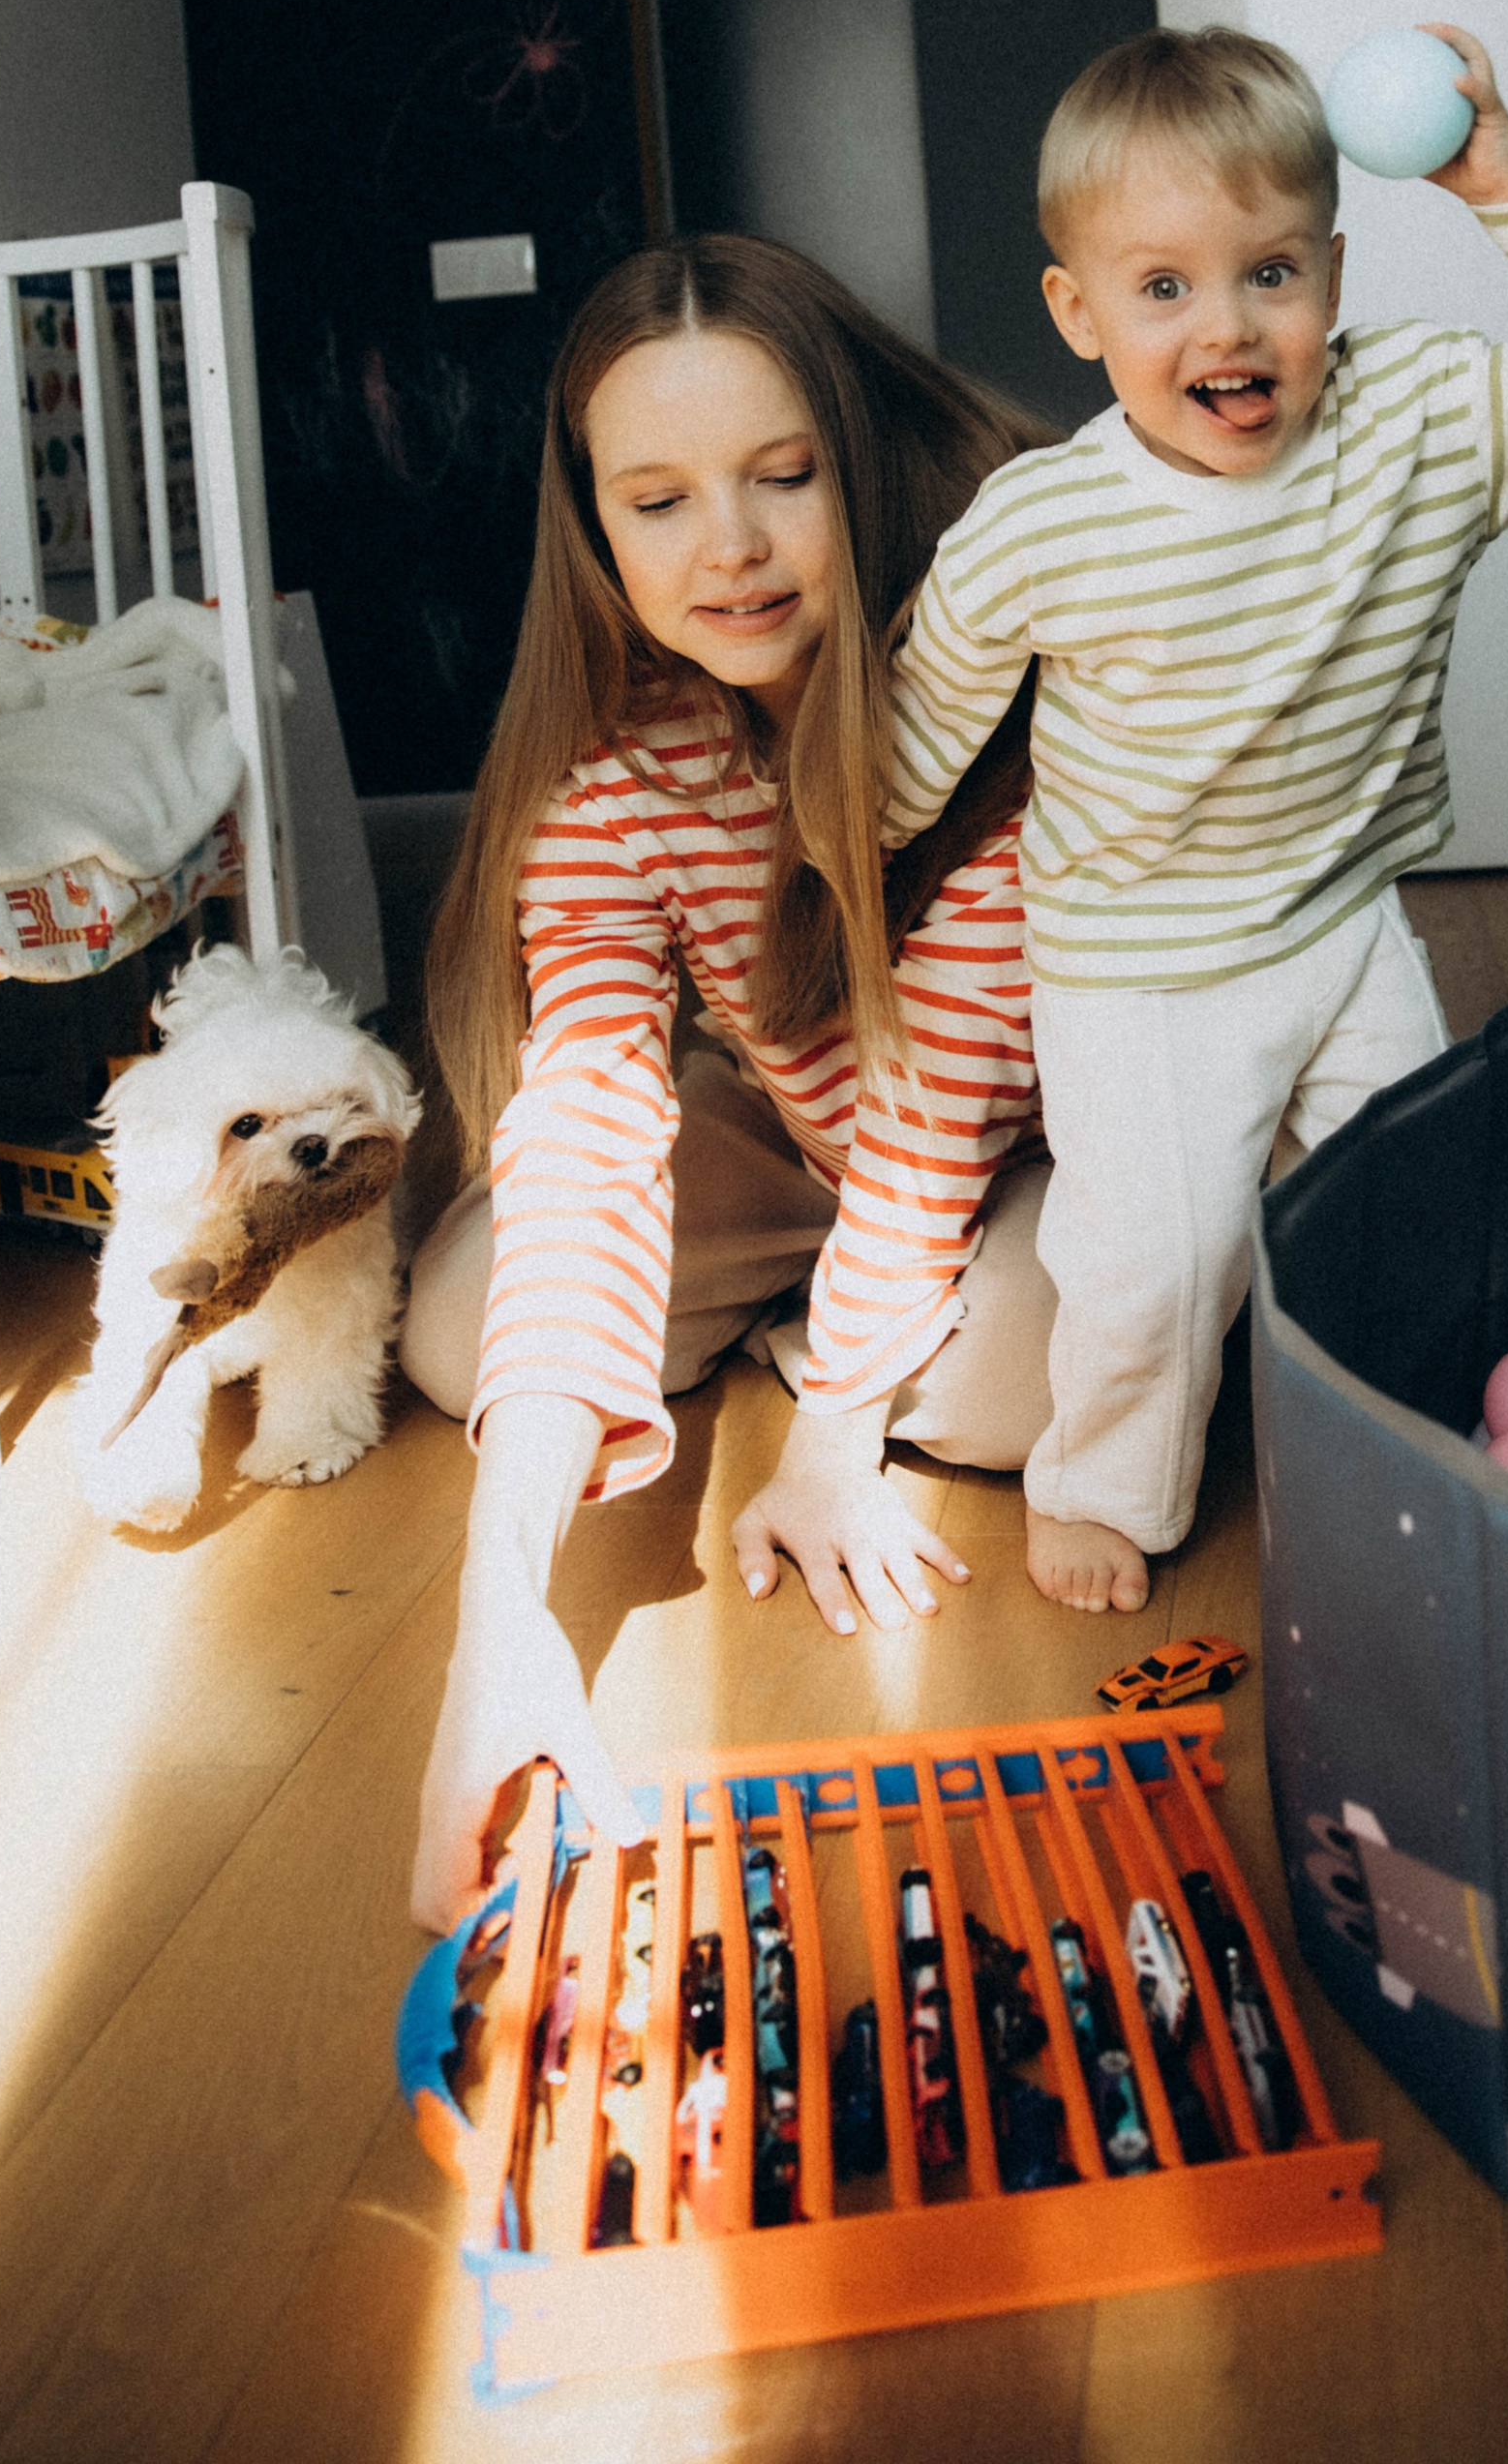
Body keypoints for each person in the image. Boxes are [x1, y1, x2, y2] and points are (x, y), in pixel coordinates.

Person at [888, 22, 1508, 1617]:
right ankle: (1105, 1483)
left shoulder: (1414, 427)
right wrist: (822, 857)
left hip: (1339, 920)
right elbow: (917, 733)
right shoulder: (1043, 524)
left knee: (1419, 1199)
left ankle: (1414, 1445)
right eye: (1165, 286)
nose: (1232, 327)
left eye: (1272, 273)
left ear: (1334, 270)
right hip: (1135, 963)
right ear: (1078, 311)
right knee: (1151, 1264)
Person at [406, 236, 1057, 1932]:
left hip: (1013, 1139)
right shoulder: (617, 748)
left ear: (864, 457)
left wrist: (834, 1434)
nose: (736, 552)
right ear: (595, 524)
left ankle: (832, 1345)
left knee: (1012, 1393)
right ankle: (827, 1322)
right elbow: (596, 1100)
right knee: (457, 1327)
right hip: (807, 1120)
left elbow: (944, 1111)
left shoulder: (1013, 663)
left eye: (785, 478)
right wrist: (500, 1633)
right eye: (662, 502)